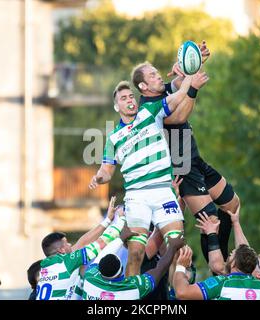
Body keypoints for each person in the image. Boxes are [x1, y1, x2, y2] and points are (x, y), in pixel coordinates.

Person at [131, 42, 240, 263]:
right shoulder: (147, 108)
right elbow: (177, 117)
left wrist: (194, 62)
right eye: (153, 75)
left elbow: (181, 81)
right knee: (210, 219)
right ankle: (217, 267)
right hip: (182, 167)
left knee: (231, 205)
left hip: (195, 159)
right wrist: (192, 88)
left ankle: (225, 257)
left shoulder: (164, 90)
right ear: (143, 86)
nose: (158, 76)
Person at [89, 75, 200, 276]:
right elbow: (106, 171)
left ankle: (177, 294)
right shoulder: (113, 138)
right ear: (117, 107)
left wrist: (190, 74)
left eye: (131, 96)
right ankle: (131, 294)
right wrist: (98, 178)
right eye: (123, 98)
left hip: (162, 190)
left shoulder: (150, 111)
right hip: (137, 196)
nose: (130, 100)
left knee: (177, 244)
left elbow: (179, 95)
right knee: (136, 253)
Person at [36, 200, 126, 300]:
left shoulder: (46, 268)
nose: (70, 244)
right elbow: (101, 243)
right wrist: (121, 220)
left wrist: (107, 220)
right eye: (67, 243)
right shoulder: (68, 262)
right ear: (61, 250)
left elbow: (81, 244)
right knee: (92, 269)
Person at [195, 206, 260, 287]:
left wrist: (211, 233)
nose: (251, 258)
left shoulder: (246, 285)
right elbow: (244, 250)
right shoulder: (257, 285)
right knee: (231, 205)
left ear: (258, 275)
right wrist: (235, 222)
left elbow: (219, 267)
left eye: (255, 261)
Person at [83, 234, 185, 300]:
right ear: (121, 270)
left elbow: (100, 257)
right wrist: (173, 247)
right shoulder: (133, 289)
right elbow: (159, 269)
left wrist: (172, 247)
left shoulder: (90, 277)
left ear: (99, 270)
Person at [173, 244, 260, 300]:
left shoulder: (222, 282)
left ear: (233, 263)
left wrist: (180, 266)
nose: (227, 258)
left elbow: (182, 292)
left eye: (230, 255)